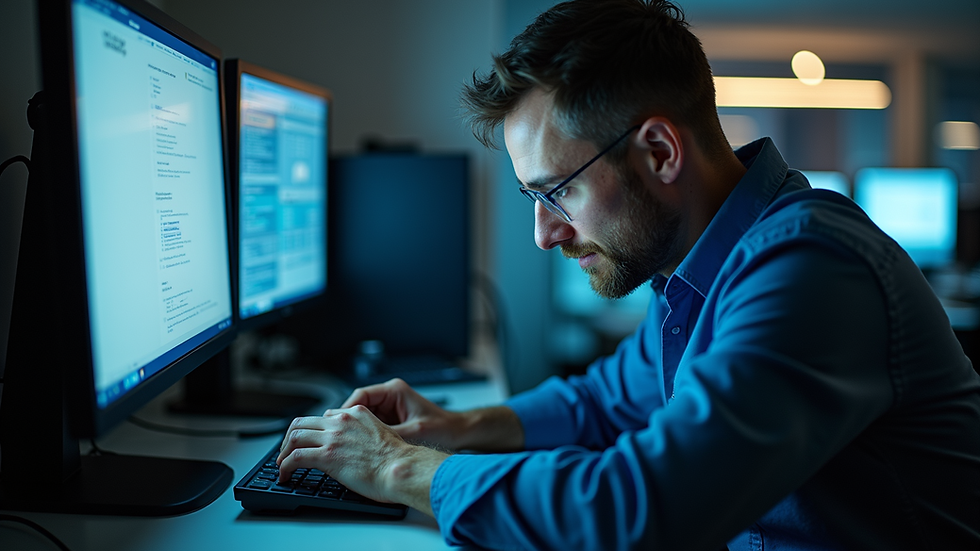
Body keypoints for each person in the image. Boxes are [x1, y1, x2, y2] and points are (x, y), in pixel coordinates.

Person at [276, 0, 980, 548]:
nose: (545, 234)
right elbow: (604, 402)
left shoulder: (810, 268)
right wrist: (452, 427)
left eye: (559, 192)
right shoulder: (699, 272)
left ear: (660, 151)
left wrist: (399, 469)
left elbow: (644, 510)